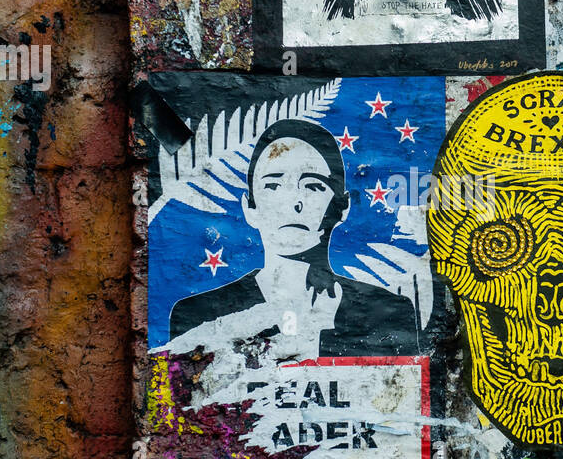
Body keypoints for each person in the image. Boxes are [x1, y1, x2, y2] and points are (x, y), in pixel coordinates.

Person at [170, 119, 419, 357]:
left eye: (313, 186)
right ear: (250, 208)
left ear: (341, 207)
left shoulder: (389, 312)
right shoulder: (199, 315)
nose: (293, 201)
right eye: (272, 186)